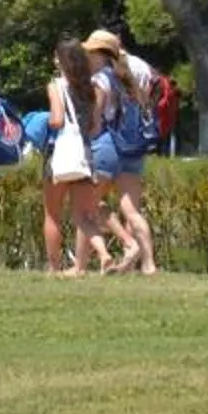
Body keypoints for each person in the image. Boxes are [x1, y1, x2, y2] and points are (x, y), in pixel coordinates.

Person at [85, 30, 161, 276]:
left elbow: (96, 117)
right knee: (131, 210)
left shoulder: (102, 78)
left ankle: (128, 244)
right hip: (135, 144)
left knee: (88, 202)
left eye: (90, 52)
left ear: (101, 53)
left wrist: (87, 139)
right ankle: (148, 264)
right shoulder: (135, 71)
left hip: (112, 143)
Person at [42, 40, 115, 277]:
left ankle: (54, 267)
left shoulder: (56, 86)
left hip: (60, 155)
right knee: (84, 216)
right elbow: (95, 127)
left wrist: (42, 122)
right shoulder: (94, 88)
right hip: (83, 154)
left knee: (52, 214)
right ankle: (103, 254)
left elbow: (57, 120)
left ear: (63, 61)